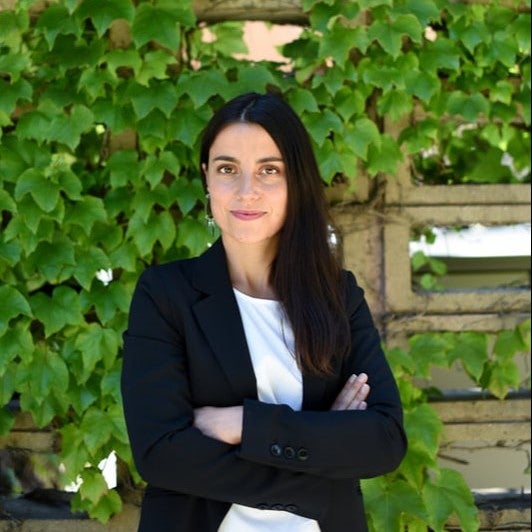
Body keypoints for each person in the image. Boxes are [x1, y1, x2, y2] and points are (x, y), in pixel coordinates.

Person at [121, 92, 407, 532]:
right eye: (227, 169)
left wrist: (245, 424)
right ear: (206, 179)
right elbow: (162, 453)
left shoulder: (336, 295)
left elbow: (383, 440)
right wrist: (321, 460)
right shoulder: (166, 295)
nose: (246, 190)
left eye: (269, 170)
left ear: (297, 181)